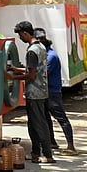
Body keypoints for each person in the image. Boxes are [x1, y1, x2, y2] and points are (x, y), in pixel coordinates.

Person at [7, 21, 56, 164]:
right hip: (41, 90)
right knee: (34, 124)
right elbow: (35, 69)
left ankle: (47, 154)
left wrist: (13, 77)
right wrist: (18, 69)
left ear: (25, 33)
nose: (21, 39)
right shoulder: (40, 47)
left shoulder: (31, 51)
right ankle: (35, 153)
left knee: (39, 124)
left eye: (21, 36)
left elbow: (31, 75)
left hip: (34, 92)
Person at [35, 27, 78, 156]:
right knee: (46, 118)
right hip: (45, 91)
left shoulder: (51, 56)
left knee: (61, 118)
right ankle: (52, 141)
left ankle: (71, 145)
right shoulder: (44, 54)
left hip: (52, 92)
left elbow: (43, 74)